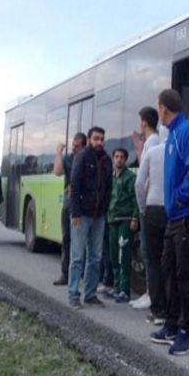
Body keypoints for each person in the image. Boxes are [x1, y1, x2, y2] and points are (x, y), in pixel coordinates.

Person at [150, 89, 189, 356]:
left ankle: (188, 333)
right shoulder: (173, 133)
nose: (158, 112)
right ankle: (172, 325)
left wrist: (177, 199)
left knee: (186, 275)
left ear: (163, 108)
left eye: (158, 108)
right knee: (169, 270)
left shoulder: (186, 132)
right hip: (176, 216)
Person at [68, 126, 112, 309]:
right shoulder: (82, 158)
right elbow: (74, 187)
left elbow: (109, 188)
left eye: (102, 139)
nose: (99, 142)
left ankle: (90, 294)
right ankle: (73, 295)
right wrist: (75, 213)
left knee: (95, 257)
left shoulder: (107, 160)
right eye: (96, 138)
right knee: (78, 257)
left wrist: (105, 209)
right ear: (89, 139)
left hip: (99, 216)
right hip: (82, 215)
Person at [129, 106, 161, 309]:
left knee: (149, 251)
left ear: (143, 123)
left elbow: (143, 177)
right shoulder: (154, 141)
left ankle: (151, 293)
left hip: (149, 203)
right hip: (152, 201)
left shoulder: (152, 142)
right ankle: (150, 292)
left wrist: (142, 207)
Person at [135, 120, 167, 324]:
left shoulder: (152, 152)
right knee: (170, 262)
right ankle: (173, 309)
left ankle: (157, 311)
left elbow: (139, 184)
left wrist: (143, 209)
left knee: (153, 262)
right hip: (173, 212)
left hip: (153, 210)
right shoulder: (177, 152)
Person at [52, 132, 86, 286]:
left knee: (84, 241)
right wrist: (58, 153)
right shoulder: (69, 159)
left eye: (77, 146)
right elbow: (58, 172)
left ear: (84, 146)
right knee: (67, 239)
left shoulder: (88, 158)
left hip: (85, 205)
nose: (74, 148)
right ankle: (65, 275)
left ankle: (84, 276)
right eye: (73, 146)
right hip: (69, 204)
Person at [107, 147, 139, 303]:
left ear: (125, 160)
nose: (118, 159)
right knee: (114, 255)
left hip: (125, 220)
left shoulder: (130, 177)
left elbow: (135, 199)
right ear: (113, 159)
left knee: (123, 255)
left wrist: (135, 218)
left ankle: (125, 290)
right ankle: (116, 287)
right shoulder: (111, 177)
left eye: (121, 157)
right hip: (112, 219)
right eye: (116, 156)